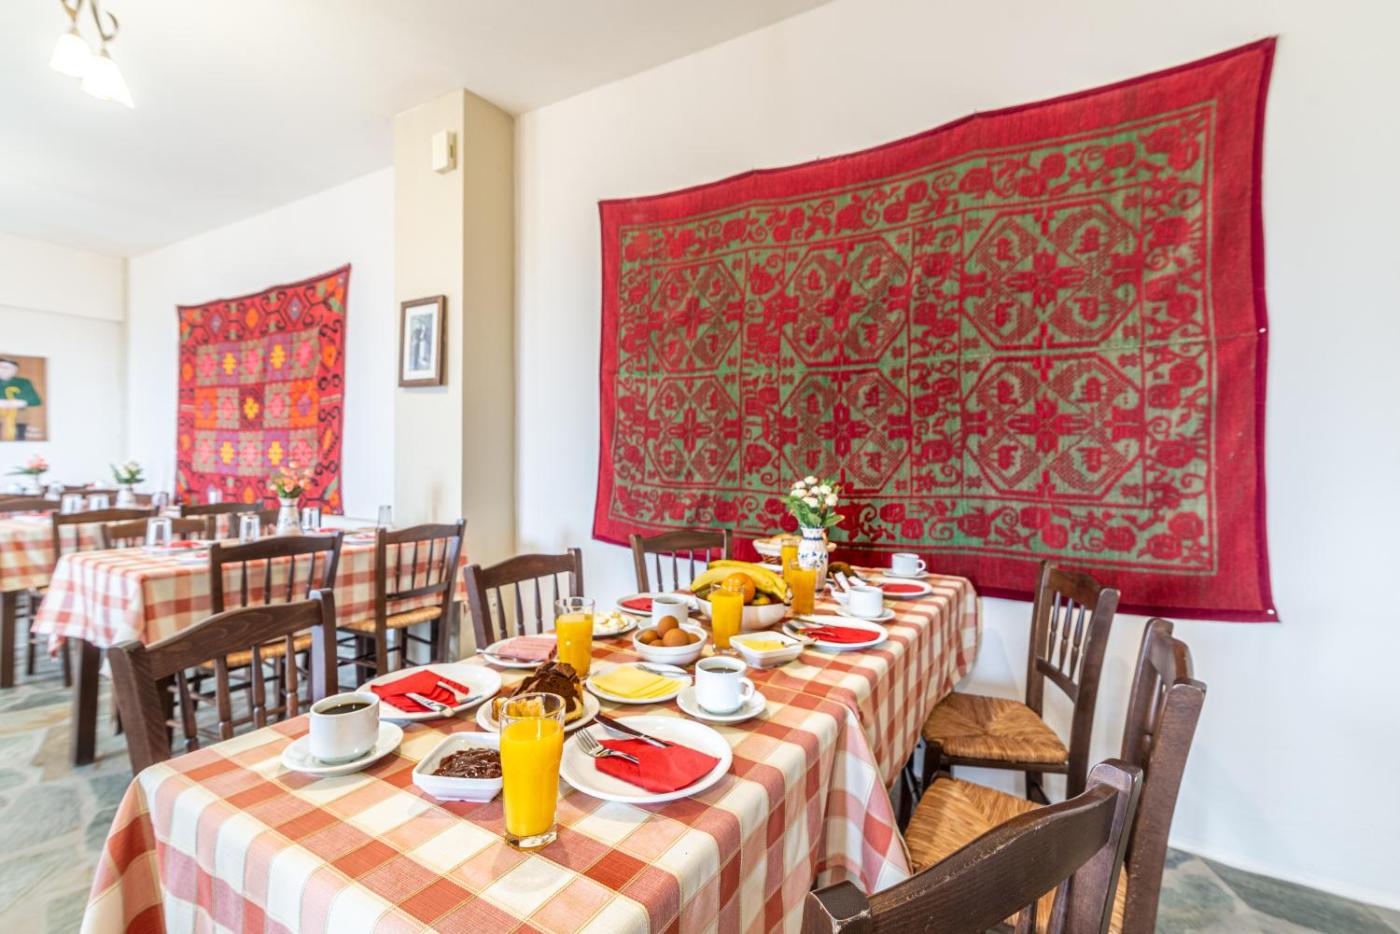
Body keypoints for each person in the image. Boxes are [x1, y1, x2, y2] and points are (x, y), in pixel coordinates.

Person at [0, 358, 42, 441]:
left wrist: (20, 403)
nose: (2, 370)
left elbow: (36, 401)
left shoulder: (23, 382)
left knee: (19, 440)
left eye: (6, 367)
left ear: (14, 370)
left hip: (18, 418)